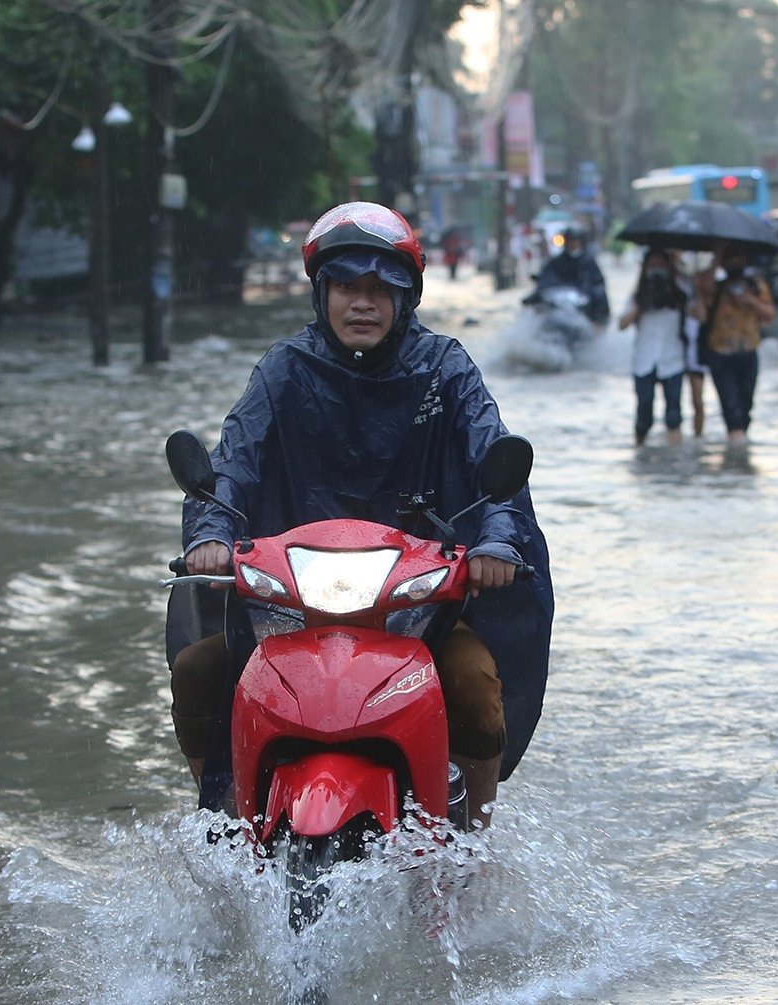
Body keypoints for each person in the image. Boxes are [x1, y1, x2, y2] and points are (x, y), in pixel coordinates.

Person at [167, 201, 555, 830]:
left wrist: (497, 545)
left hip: (420, 608)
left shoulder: (446, 369)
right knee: (197, 674)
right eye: (348, 286)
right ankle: (224, 825)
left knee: (478, 690)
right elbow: (233, 460)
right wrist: (210, 533)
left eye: (382, 289)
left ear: (408, 299)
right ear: (322, 293)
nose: (363, 304)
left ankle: (475, 844)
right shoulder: (283, 371)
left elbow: (494, 464)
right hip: (288, 609)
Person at [694, 242, 775, 445]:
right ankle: (736, 447)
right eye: (730, 258)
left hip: (747, 350)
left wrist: (750, 300)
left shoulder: (755, 284)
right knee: (730, 406)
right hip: (719, 352)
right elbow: (701, 286)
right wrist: (717, 257)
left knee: (746, 405)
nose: (734, 262)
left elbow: (770, 315)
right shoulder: (717, 285)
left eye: (738, 257)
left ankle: (739, 454)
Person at [616, 247, 694, 446]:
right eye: (653, 266)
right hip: (644, 360)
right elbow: (622, 324)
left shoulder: (680, 293)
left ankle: (674, 456)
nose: (657, 270)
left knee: (674, 414)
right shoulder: (638, 295)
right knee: (643, 412)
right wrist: (642, 304)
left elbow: (699, 314)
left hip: (673, 359)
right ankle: (640, 450)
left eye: (661, 265)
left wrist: (683, 275)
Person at [533, 226, 610, 324]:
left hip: (584, 308)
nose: (573, 244)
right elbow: (546, 279)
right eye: (570, 241)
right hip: (559, 305)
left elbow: (597, 284)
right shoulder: (556, 262)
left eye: (576, 241)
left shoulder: (589, 263)